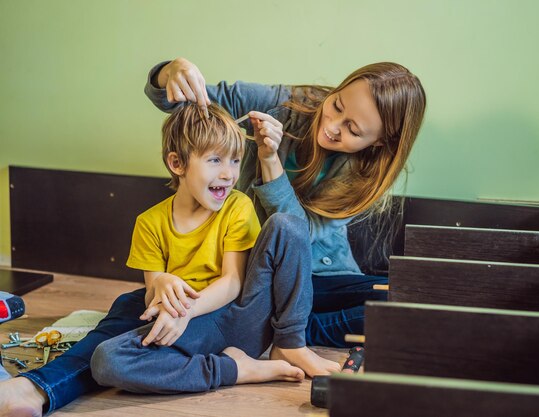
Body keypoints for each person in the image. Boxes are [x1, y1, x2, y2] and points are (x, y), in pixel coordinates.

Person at [0, 102, 317, 416]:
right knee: (115, 338)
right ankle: (33, 388)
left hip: (232, 315)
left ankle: (237, 366)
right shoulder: (149, 222)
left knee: (287, 223)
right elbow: (152, 294)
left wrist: (185, 311)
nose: (228, 173)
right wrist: (162, 282)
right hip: (185, 320)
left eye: (235, 161)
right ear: (177, 163)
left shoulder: (238, 206)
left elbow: (233, 283)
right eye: (215, 160)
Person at [145, 58, 427, 350]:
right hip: (257, 273)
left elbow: (297, 237)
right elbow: (184, 105)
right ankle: (283, 327)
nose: (332, 125)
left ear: (379, 143)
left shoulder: (368, 175)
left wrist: (271, 163)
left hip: (320, 278)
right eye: (337, 105)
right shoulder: (281, 104)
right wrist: (169, 73)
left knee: (407, 301)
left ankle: (288, 328)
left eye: (352, 130)